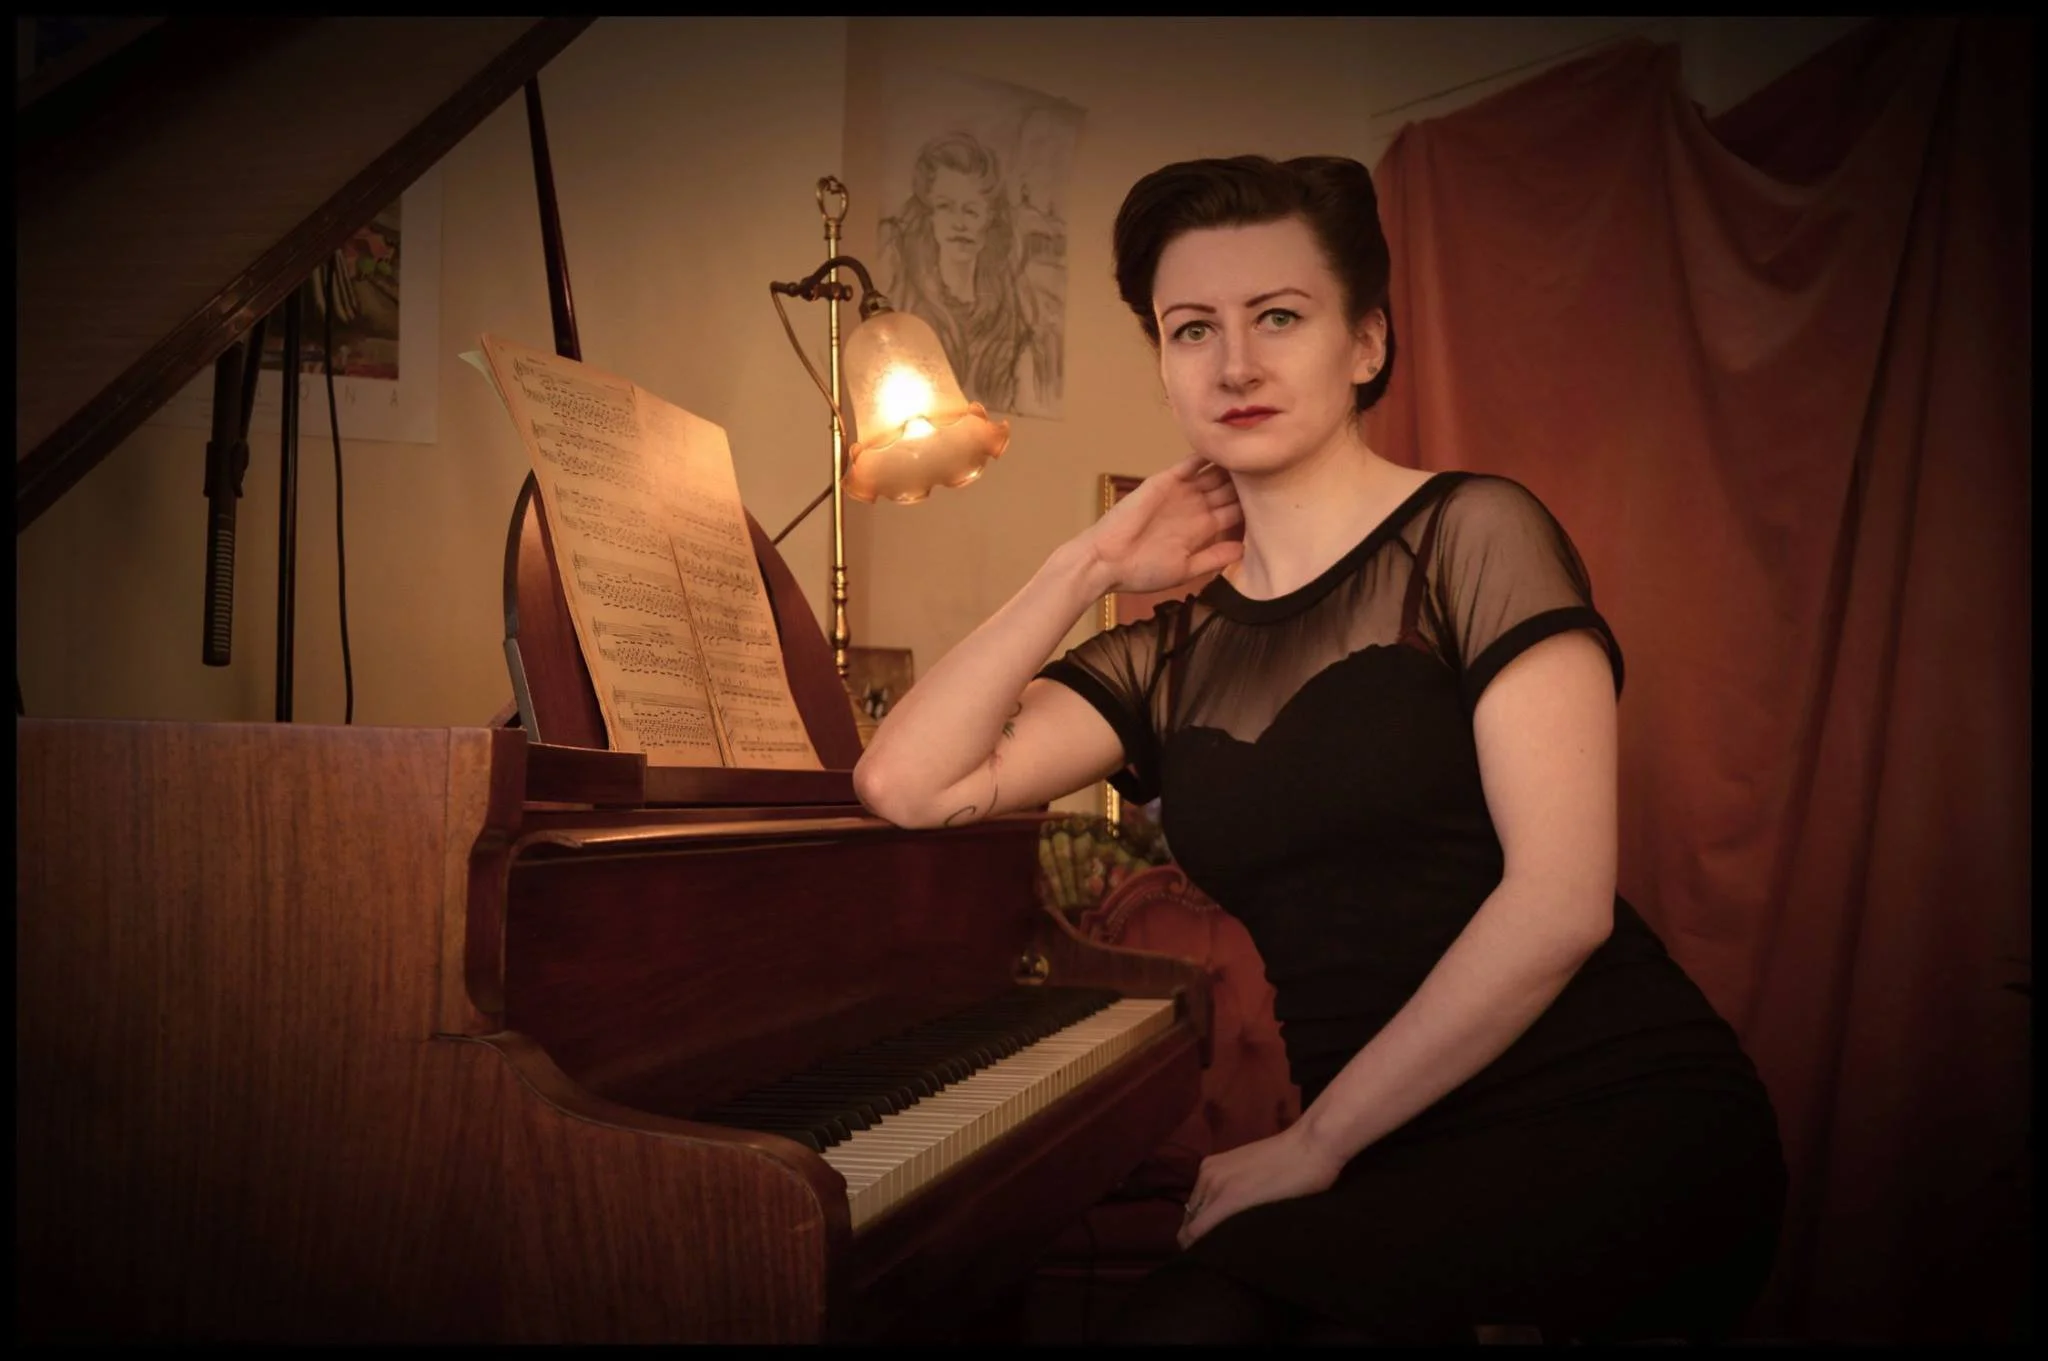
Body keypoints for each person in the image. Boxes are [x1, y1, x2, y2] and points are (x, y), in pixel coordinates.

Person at [852, 154, 1786, 1343]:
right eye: (1192, 329)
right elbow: (904, 783)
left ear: (1364, 343)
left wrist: (1316, 1140)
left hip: (1613, 1113)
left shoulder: (1473, 535)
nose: (1234, 363)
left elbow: (1559, 904)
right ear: (1164, 366)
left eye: (1279, 316)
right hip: (1385, 1150)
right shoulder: (1168, 655)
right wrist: (1084, 564)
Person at [877, 131, 1034, 414]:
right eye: (946, 207)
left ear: (989, 219)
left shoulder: (1008, 314)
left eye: (971, 211)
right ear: (930, 215)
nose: (959, 224)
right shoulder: (906, 301)